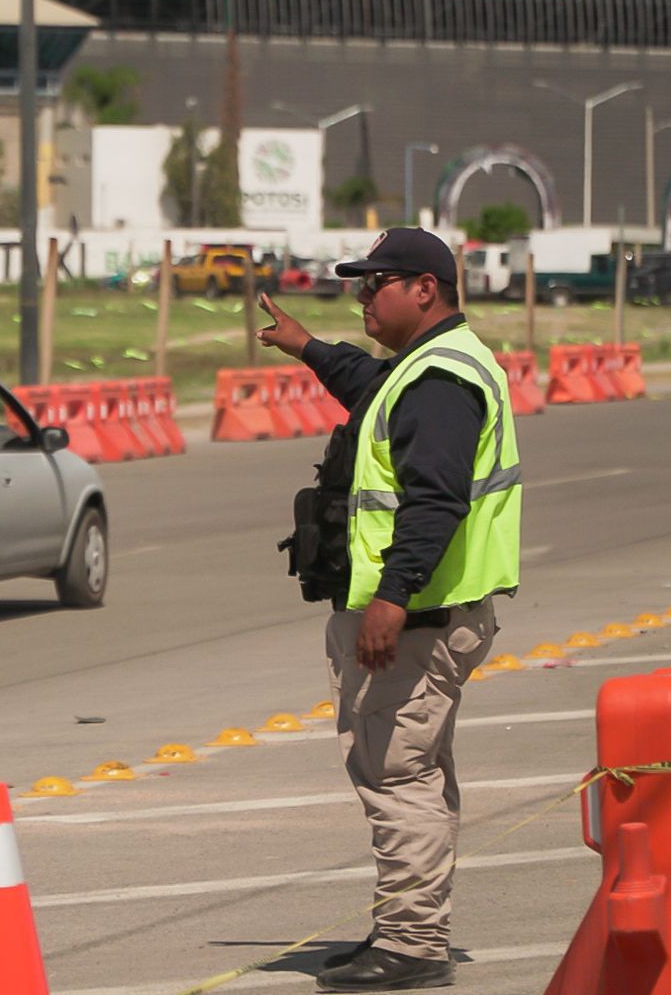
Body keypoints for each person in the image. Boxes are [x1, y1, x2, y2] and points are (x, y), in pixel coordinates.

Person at [256, 228, 522, 993]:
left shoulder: (439, 381)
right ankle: (411, 921)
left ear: (426, 289)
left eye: (379, 282)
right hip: (434, 613)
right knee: (417, 774)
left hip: (417, 618)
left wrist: (390, 598)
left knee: (396, 777)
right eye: (361, 282)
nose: (364, 294)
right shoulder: (427, 366)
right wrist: (308, 347)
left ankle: (411, 943)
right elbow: (369, 385)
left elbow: (433, 501)